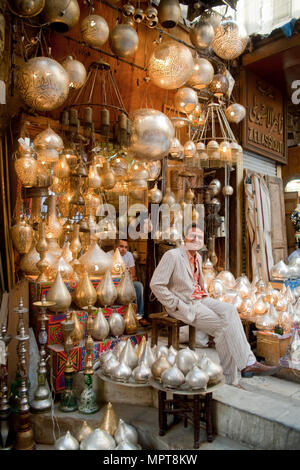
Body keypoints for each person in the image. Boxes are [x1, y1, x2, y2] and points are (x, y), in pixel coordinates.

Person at [150, 223, 279, 387]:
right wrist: (174, 303)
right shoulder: (172, 255)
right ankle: (234, 375)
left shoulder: (197, 257)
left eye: (199, 237)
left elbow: (196, 283)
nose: (196, 239)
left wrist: (206, 297)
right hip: (184, 304)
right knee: (222, 328)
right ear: (185, 238)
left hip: (201, 298)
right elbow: (156, 284)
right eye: (192, 236)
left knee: (231, 310)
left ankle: (247, 363)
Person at [110, 239, 150, 327]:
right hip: (112, 284)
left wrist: (127, 281)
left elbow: (133, 274)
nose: (124, 249)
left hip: (126, 282)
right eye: (121, 247)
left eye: (126, 247)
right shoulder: (108, 256)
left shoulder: (129, 255)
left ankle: (139, 315)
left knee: (138, 286)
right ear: (115, 247)